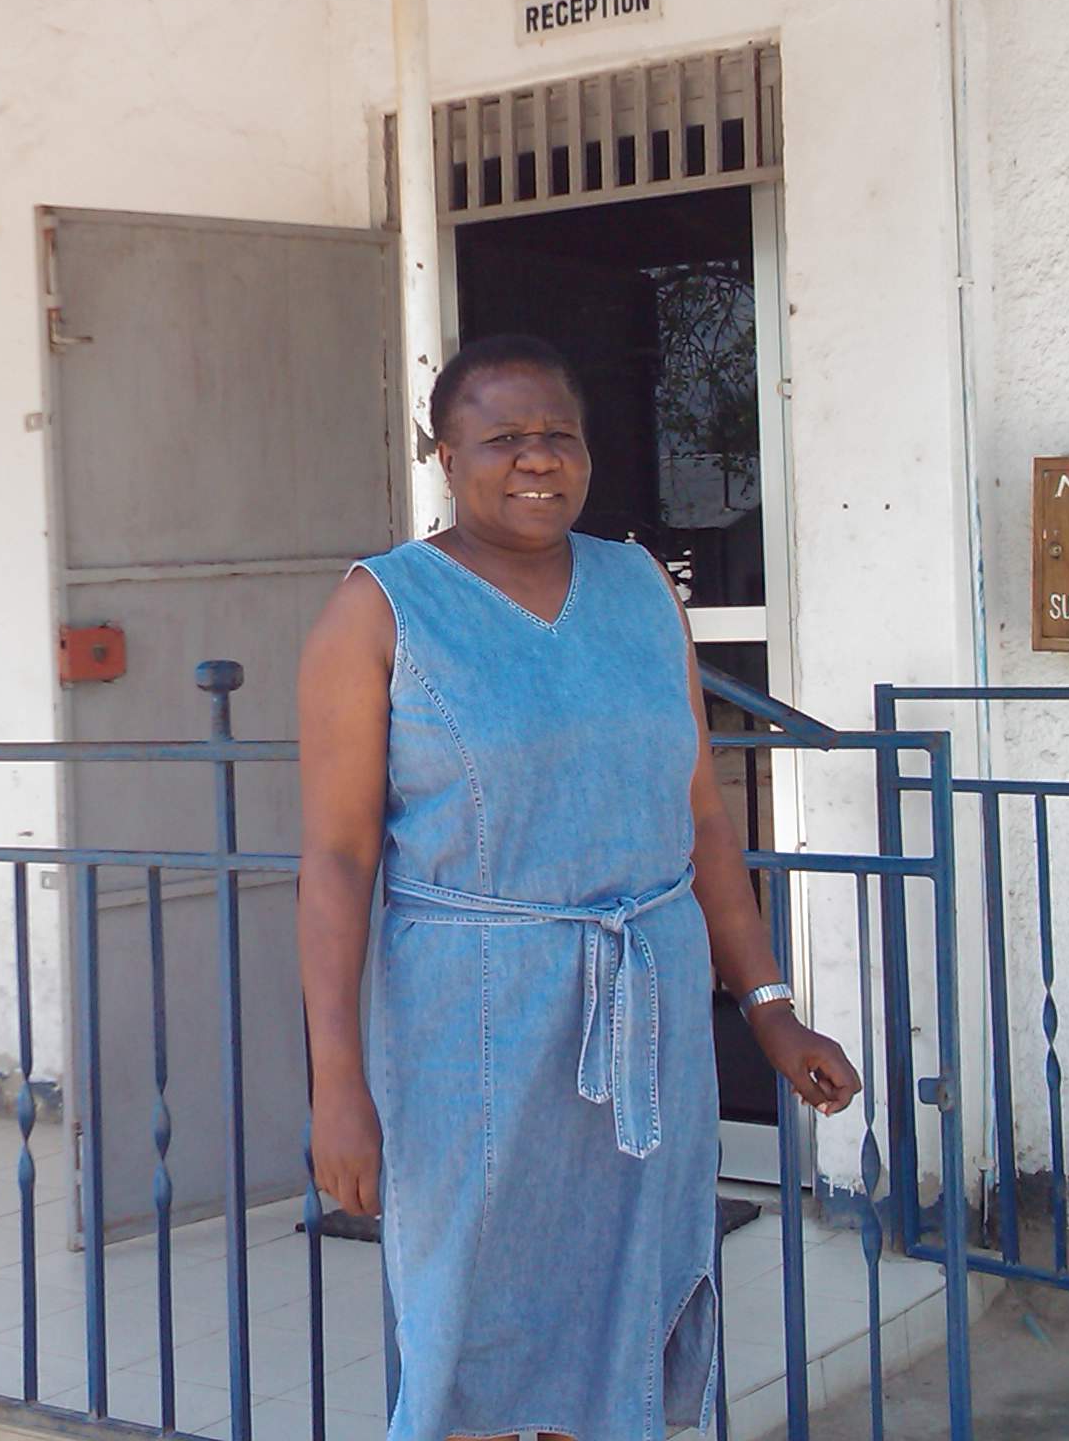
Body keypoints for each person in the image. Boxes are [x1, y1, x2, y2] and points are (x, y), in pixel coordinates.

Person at [295, 334, 861, 1441]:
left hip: (647, 1021)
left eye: (559, 434)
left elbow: (699, 817)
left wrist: (770, 1007)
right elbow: (337, 863)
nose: (536, 458)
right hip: (474, 1033)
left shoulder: (639, 586)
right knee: (476, 1324)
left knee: (624, 1312)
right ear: (445, 454)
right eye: (502, 437)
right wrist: (337, 1087)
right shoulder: (381, 609)